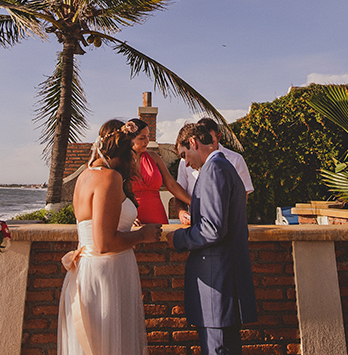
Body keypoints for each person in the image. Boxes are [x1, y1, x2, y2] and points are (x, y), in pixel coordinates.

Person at [58, 120, 162, 355]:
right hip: (106, 272)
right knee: (110, 345)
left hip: (86, 270)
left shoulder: (85, 176)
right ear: (124, 155)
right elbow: (104, 243)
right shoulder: (110, 178)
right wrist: (142, 235)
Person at [168, 123, 256, 355]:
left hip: (218, 284)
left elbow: (212, 229)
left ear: (194, 143)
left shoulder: (214, 169)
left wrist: (178, 238)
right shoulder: (224, 167)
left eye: (185, 154)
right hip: (223, 283)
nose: (185, 163)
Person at [171, 117, 253, 224]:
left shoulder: (221, 164)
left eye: (210, 140)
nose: (186, 163)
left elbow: (215, 226)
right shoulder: (186, 161)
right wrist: (182, 212)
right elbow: (180, 191)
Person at [127, 117, 191, 224]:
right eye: (142, 138)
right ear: (130, 139)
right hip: (132, 218)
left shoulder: (154, 157)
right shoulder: (120, 162)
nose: (147, 141)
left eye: (148, 137)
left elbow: (171, 184)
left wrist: (194, 203)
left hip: (157, 215)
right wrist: (125, 217)